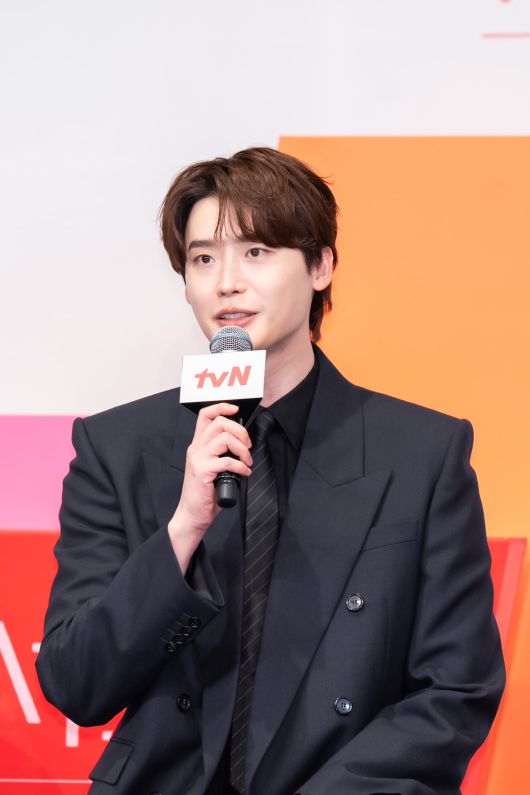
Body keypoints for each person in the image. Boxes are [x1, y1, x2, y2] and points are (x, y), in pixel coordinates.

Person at [36, 147, 505, 795]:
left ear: (321, 266)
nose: (226, 282)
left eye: (255, 252)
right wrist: (181, 531)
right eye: (203, 258)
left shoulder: (421, 452)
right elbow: (74, 683)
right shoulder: (117, 446)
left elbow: (455, 689)